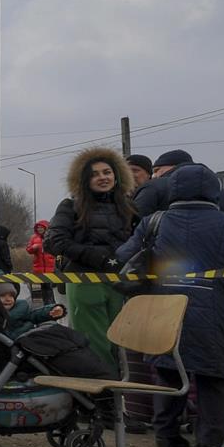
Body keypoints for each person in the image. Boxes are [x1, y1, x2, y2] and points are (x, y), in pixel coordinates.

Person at [115, 165, 224, 447]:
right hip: (215, 310)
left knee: (168, 372)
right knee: (212, 379)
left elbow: (123, 255)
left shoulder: (155, 221)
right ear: (213, 191)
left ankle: (166, 436)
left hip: (165, 308)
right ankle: (209, 443)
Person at [43, 148, 137, 367]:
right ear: (84, 179)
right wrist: (96, 257)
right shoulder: (71, 206)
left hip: (121, 284)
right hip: (85, 282)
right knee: (94, 344)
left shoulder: (130, 208)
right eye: (94, 174)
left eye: (107, 172)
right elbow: (54, 241)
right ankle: (99, 396)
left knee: (122, 343)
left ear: (117, 175)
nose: (102, 177)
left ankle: (117, 395)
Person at [133, 150, 224, 219]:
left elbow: (136, 219)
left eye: (157, 170)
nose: (154, 175)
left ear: (173, 167)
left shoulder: (155, 187)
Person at [0, 278, 66, 340]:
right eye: (2, 295)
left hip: (30, 337)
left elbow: (34, 314)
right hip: (18, 343)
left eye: (11, 296)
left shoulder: (20, 308)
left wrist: (50, 311)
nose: (8, 299)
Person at [26, 219, 58, 304]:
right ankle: (46, 304)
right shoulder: (33, 238)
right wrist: (33, 248)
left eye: (41, 227)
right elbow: (28, 250)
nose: (39, 229)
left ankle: (51, 304)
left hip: (50, 267)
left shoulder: (51, 237)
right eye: (38, 228)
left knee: (49, 288)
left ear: (45, 228)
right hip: (38, 267)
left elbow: (56, 249)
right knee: (43, 288)